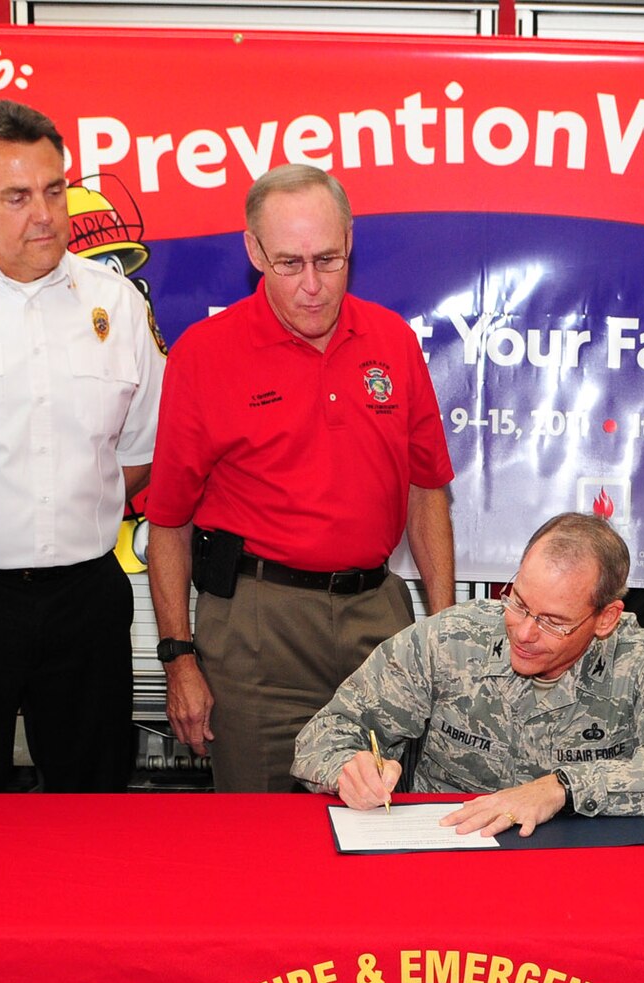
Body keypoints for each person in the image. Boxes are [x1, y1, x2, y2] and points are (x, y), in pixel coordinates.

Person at [144, 163, 456, 793]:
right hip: (259, 634)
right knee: (260, 840)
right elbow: (169, 523)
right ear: (254, 251)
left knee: (386, 821)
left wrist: (444, 639)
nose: (312, 285)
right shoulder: (204, 355)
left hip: (378, 620)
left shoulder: (392, 341)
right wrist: (179, 660)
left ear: (350, 242)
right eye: (289, 263)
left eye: (329, 260)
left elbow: (427, 494)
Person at [0, 100, 163, 792]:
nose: (44, 214)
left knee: (92, 803)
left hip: (86, 600)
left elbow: (139, 452)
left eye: (52, 189)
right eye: (15, 196)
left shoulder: (117, 304)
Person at [292, 513, 644, 836]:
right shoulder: (451, 641)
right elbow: (324, 734)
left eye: (554, 621)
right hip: (450, 850)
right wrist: (347, 769)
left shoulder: (643, 664)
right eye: (517, 601)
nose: (524, 632)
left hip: (580, 869)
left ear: (606, 618)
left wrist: (561, 790)